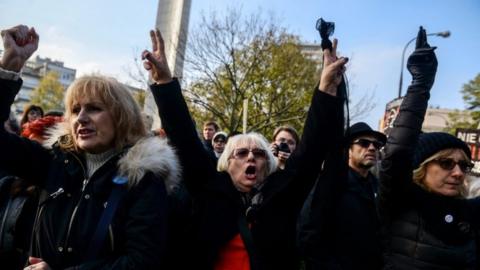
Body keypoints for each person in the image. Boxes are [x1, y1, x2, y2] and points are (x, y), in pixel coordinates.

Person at [143, 28, 348, 269]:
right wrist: (165, 83)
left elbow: (312, 148)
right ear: (227, 163)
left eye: (259, 153)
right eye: (241, 153)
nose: (251, 156)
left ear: (268, 164)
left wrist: (325, 88)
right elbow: (184, 138)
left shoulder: (284, 193)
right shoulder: (209, 189)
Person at [0, 25, 180, 269]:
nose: (81, 118)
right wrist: (8, 67)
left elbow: (141, 261)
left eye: (94, 108)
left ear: (121, 117)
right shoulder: (55, 163)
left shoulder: (143, 179)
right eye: (75, 110)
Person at [378, 27, 479, 269]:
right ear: (422, 167)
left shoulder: (471, 212)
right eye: (446, 163)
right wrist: (420, 84)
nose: (457, 172)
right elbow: (397, 154)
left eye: (464, 165)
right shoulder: (401, 200)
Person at [298, 122, 386, 270]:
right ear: (348, 150)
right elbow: (307, 234)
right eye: (364, 143)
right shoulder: (329, 184)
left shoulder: (378, 187)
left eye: (376, 145)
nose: (372, 148)